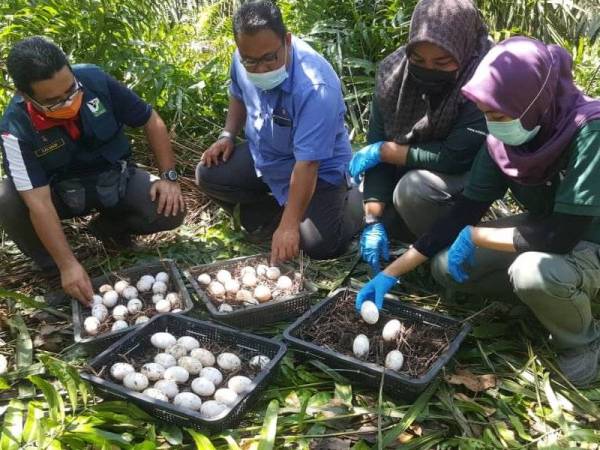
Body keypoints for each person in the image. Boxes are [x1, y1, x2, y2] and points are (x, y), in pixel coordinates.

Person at [355, 36, 600, 387]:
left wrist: (476, 235)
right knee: (446, 268)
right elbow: (464, 210)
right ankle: (546, 304)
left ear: (533, 102)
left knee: (533, 272)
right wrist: (389, 274)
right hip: (547, 225)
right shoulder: (503, 139)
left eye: (499, 115)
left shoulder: (589, 131)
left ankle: (584, 341)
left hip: (589, 235)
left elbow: (560, 236)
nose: (492, 124)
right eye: (486, 114)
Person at [0, 37, 185, 305]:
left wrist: (169, 177)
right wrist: (67, 264)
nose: (68, 102)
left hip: (111, 180)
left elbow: (150, 120)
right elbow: (38, 203)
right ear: (24, 95)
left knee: (171, 209)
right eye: (54, 101)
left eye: (71, 90)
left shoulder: (94, 79)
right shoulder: (15, 129)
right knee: (6, 198)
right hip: (58, 196)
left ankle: (109, 229)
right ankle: (54, 270)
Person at [195, 0, 362, 265]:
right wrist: (227, 135)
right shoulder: (243, 59)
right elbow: (237, 94)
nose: (260, 69)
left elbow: (307, 164)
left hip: (317, 172)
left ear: (286, 40)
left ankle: (352, 200)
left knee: (320, 245)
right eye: (250, 61)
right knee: (209, 174)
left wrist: (289, 226)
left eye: (269, 58)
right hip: (267, 157)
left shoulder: (316, 88)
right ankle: (280, 217)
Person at [348, 0, 491, 274]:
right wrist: (372, 220)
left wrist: (387, 151)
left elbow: (454, 156)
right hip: (408, 164)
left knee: (413, 189)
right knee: (359, 207)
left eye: (442, 62)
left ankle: (439, 251)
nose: (429, 69)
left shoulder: (484, 77)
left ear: (462, 51)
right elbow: (377, 140)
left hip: (464, 174)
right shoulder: (393, 76)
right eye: (418, 60)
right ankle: (408, 238)